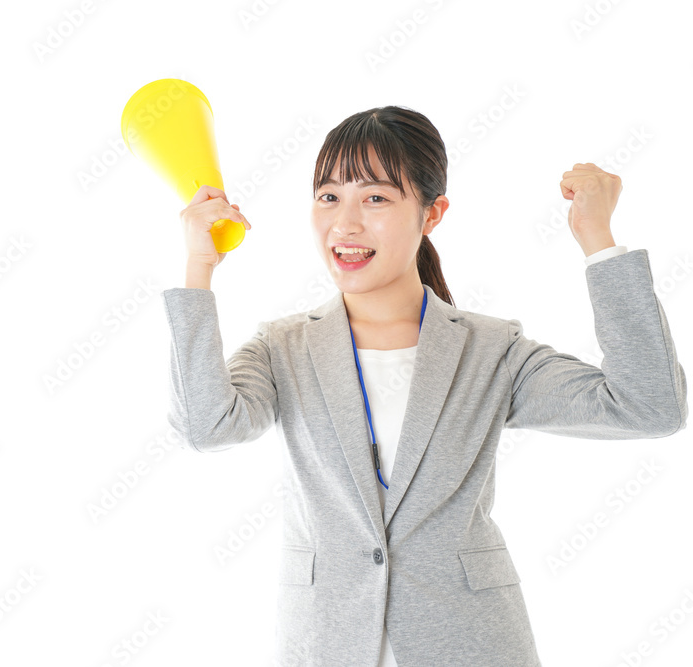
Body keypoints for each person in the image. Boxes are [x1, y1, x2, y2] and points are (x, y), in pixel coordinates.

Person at [160, 106, 687, 666]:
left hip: (472, 646)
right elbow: (205, 427)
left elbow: (650, 407)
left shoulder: (491, 350)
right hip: (326, 646)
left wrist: (599, 241)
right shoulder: (282, 348)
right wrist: (198, 268)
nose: (345, 224)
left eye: (376, 198)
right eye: (329, 196)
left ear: (432, 213)